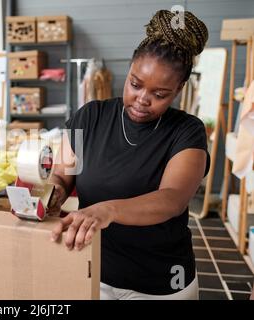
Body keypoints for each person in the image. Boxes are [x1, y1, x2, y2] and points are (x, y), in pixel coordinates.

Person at [48, 10, 210, 300]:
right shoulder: (90, 116)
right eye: (135, 84)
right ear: (129, 72)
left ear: (179, 90)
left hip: (160, 283)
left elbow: (172, 198)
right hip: (95, 270)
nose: (142, 99)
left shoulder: (187, 131)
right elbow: (62, 174)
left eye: (160, 94)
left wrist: (107, 210)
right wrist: (53, 194)